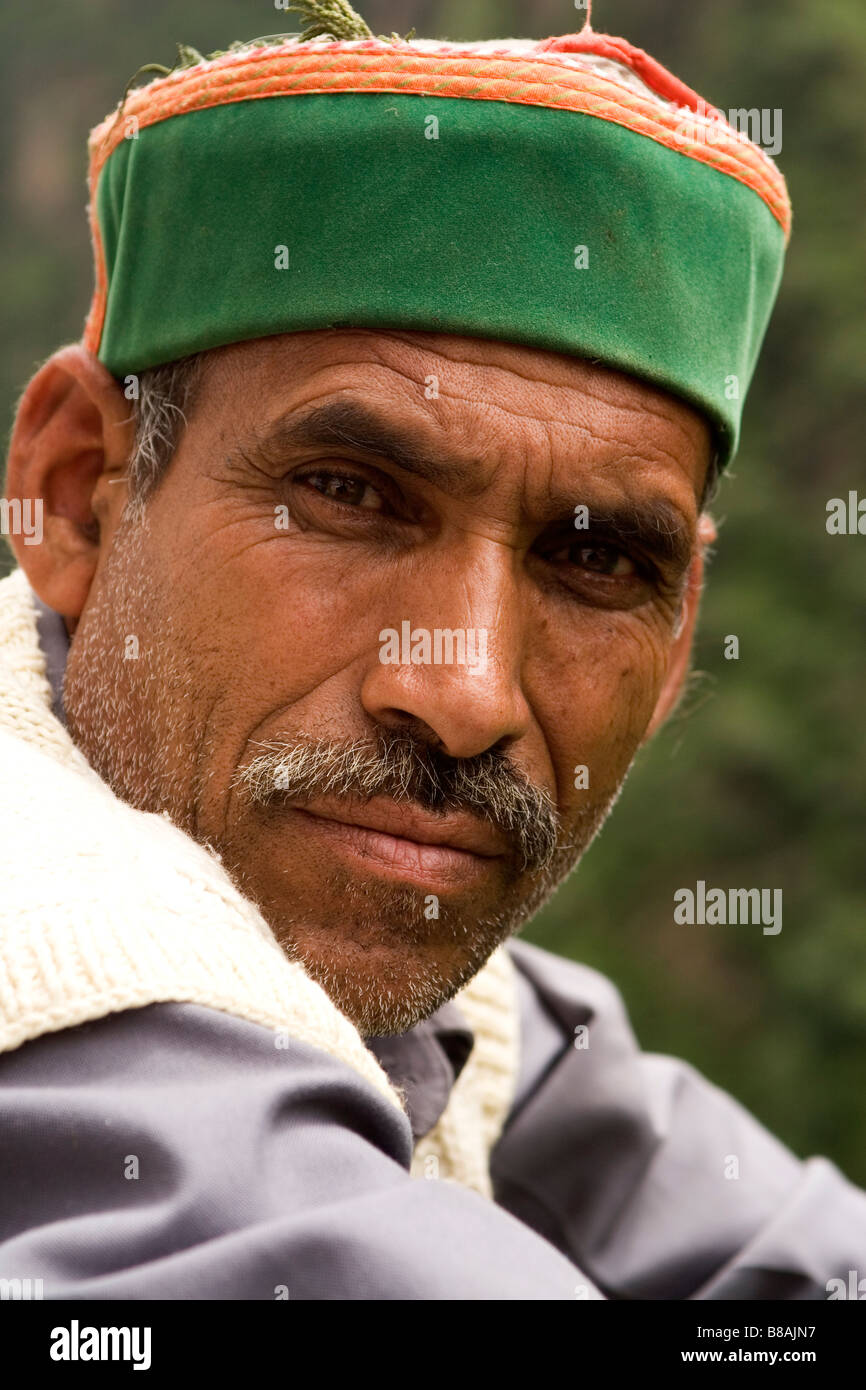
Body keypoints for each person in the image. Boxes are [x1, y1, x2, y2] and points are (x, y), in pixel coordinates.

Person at [1, 5, 863, 1299]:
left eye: (594, 561)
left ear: (679, 631)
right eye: (347, 495)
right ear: (79, 495)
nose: (460, 694)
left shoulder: (473, 1022)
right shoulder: (65, 977)